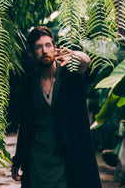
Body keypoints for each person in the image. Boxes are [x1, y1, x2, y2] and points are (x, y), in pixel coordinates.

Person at [11, 26, 102, 188]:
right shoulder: (28, 84)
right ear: (31, 53)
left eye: (48, 45)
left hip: (66, 158)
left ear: (55, 48)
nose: (45, 51)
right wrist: (18, 159)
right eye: (38, 47)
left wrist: (72, 54)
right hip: (36, 161)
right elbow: (25, 125)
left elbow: (85, 61)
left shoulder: (70, 76)